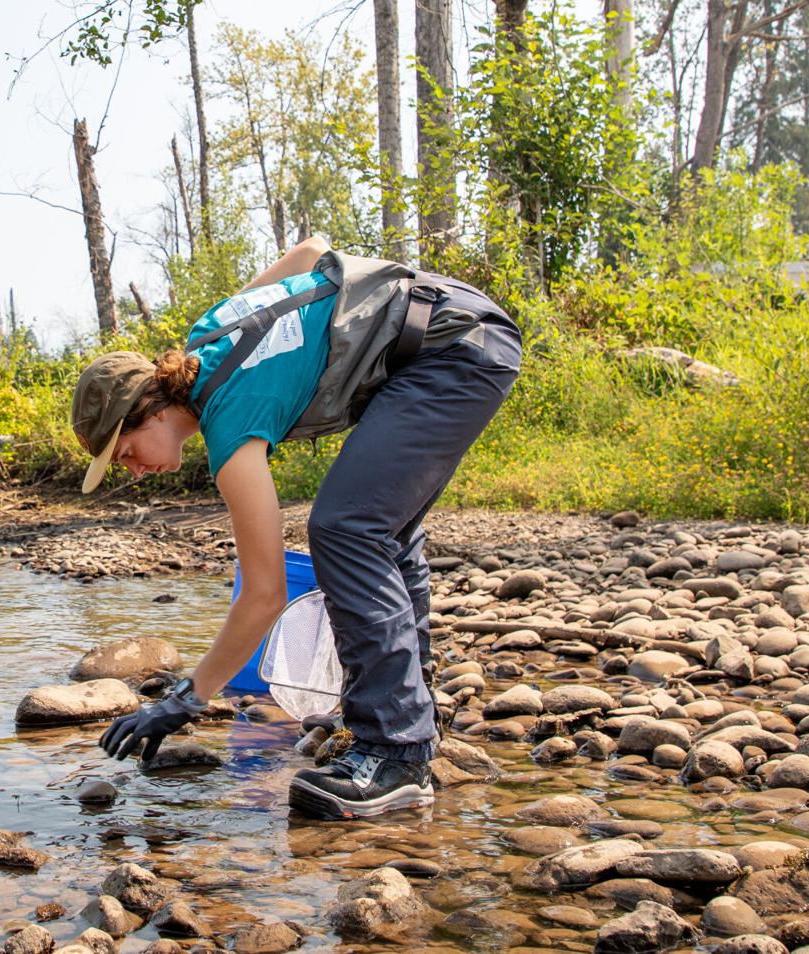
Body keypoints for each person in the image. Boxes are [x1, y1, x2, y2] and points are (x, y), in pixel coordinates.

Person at [77, 236, 522, 820]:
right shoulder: (210, 333)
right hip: (453, 326)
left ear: (152, 410)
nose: (132, 470)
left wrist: (189, 698)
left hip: (451, 350)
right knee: (380, 531)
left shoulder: (229, 424)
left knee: (345, 528)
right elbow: (312, 251)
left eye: (126, 451)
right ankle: (412, 715)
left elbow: (264, 595)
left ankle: (395, 752)